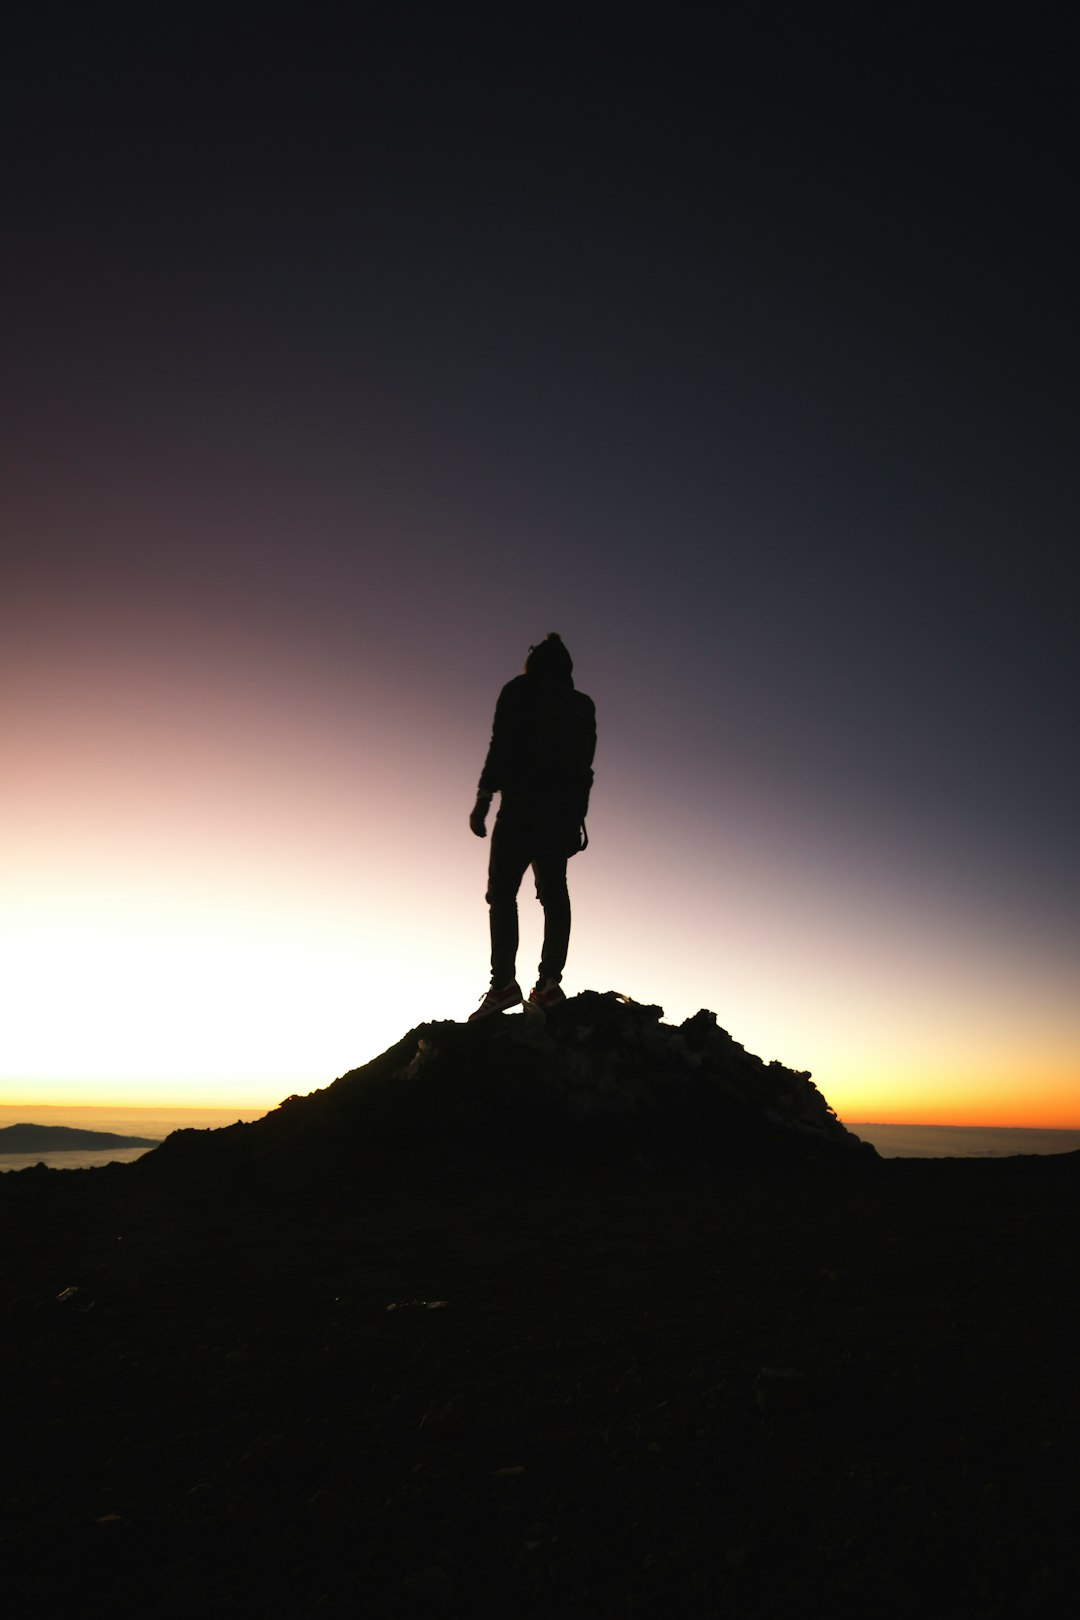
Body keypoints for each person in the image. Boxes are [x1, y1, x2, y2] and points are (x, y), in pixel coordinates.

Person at [468, 633, 596, 1018]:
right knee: (555, 898)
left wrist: (483, 799)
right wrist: (577, 819)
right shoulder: (581, 705)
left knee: (502, 895)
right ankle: (548, 986)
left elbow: (500, 744)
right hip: (558, 817)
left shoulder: (518, 690)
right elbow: (583, 768)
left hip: (520, 810)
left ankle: (504, 985)